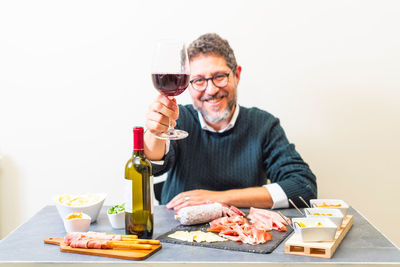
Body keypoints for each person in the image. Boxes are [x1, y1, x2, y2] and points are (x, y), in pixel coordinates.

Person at [144, 33, 317, 211]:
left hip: (244, 232)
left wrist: (217, 198)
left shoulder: (263, 125)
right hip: (175, 232)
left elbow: (303, 187)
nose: (210, 90)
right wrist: (154, 131)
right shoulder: (179, 118)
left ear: (237, 75)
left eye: (219, 76)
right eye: (199, 80)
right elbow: (151, 164)